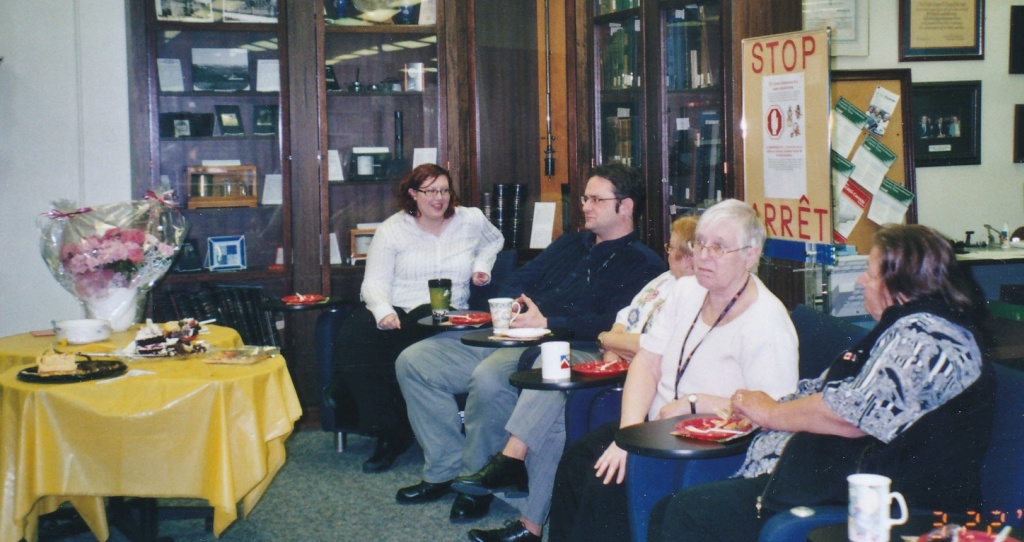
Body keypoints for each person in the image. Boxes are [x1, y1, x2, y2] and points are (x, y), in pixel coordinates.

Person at [648, 223, 996, 541]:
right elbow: (829, 395)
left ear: (900, 284)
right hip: (824, 484)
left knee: (687, 513)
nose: (860, 281)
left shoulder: (930, 339)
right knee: (669, 510)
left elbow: (850, 415)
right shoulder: (903, 329)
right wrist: (759, 409)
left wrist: (770, 413)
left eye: (869, 273)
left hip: (891, 508)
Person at [393, 163, 667, 525]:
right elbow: (521, 277)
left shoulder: (643, 264)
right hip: (515, 332)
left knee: (490, 376)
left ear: (626, 206)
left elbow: (610, 325)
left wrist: (549, 322)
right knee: (416, 361)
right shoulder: (570, 243)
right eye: (585, 198)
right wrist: (515, 306)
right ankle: (446, 467)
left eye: (596, 200)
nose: (585, 206)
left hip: (564, 344)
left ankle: (476, 483)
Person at [548, 199, 799, 542]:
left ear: (750, 255)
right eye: (700, 243)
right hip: (655, 429)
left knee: (605, 485)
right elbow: (647, 362)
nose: (703, 256)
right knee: (577, 462)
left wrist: (696, 402)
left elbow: (774, 413)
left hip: (710, 447)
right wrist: (629, 434)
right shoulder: (686, 291)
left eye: (719, 247)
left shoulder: (767, 323)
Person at [457, 215, 700, 542]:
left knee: (553, 377)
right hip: (613, 361)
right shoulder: (663, 282)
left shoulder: (691, 292)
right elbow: (621, 320)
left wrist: (610, 341)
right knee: (556, 416)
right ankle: (529, 525)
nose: (667, 253)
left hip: (641, 382)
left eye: (671, 248)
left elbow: (655, 347)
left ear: (687, 256)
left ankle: (511, 462)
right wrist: (612, 341)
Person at [330, 163, 505, 473]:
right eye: (430, 191)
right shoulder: (392, 229)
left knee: (418, 325)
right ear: (413, 194)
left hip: (445, 309)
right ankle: (388, 432)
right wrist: (383, 311)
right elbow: (374, 282)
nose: (439, 198)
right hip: (397, 305)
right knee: (355, 334)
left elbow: (494, 240)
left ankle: (398, 427)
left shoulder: (471, 219)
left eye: (444, 190)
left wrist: (482, 266)